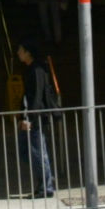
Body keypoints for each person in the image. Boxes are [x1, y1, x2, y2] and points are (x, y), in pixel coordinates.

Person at [16, 42, 62, 197]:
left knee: (37, 152)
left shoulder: (37, 70)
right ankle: (46, 177)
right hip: (30, 116)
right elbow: (27, 97)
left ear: (28, 52)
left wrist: (30, 118)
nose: (18, 53)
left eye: (21, 50)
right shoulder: (30, 69)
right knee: (26, 152)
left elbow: (35, 97)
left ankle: (45, 185)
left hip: (36, 118)